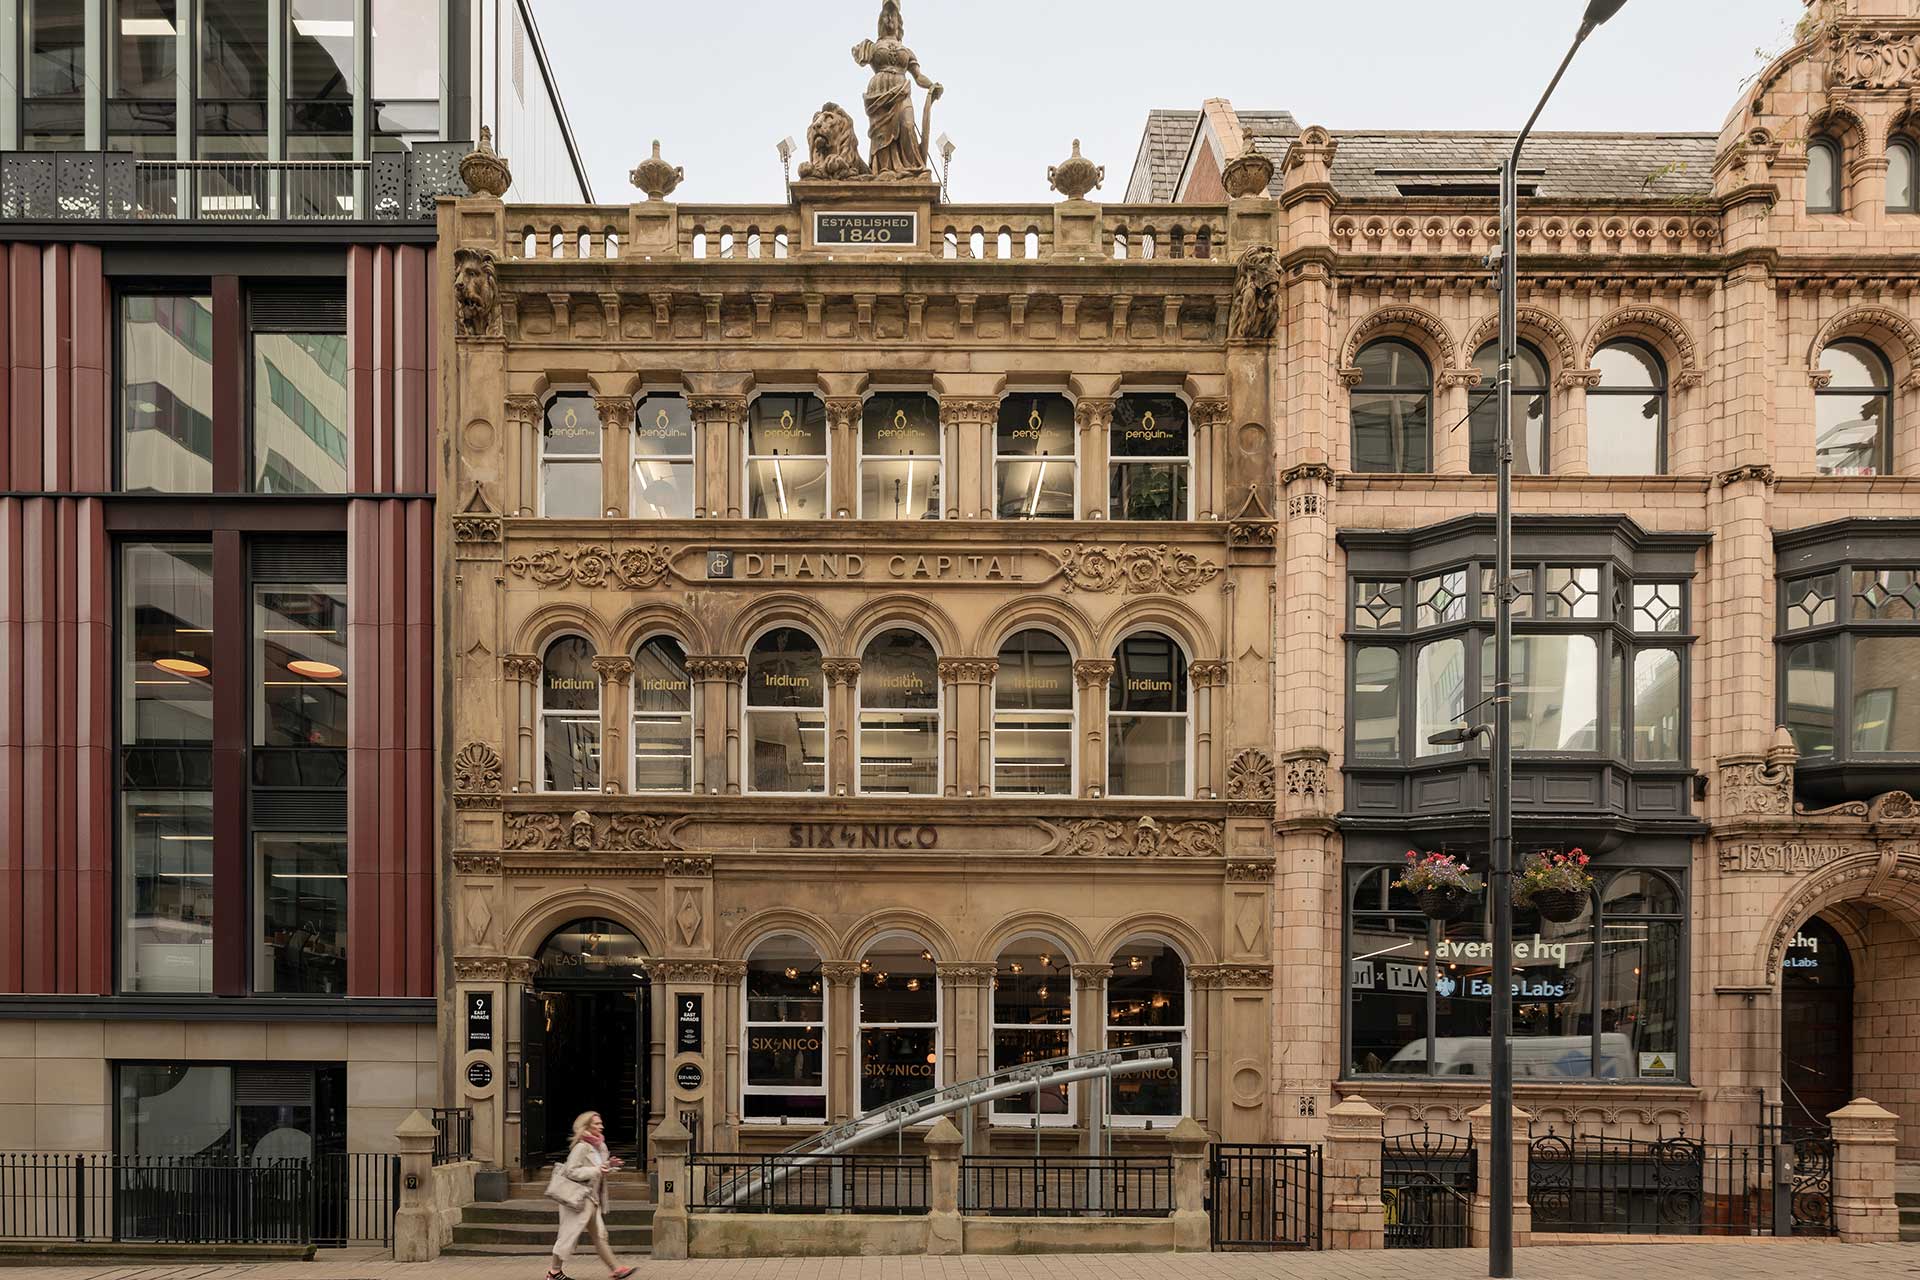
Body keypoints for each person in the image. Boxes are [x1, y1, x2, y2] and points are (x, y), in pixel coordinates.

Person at [851, 0, 941, 176]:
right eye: (886, 15)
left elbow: (918, 77)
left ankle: (910, 168)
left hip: (902, 90)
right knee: (881, 133)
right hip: (879, 92)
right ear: (880, 21)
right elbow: (858, 56)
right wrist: (861, 50)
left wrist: (931, 85)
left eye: (893, 16)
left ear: (900, 22)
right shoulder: (872, 46)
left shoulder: (906, 51)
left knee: (907, 125)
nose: (890, 19)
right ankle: (884, 170)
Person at [543, 1111, 635, 1280]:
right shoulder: (581, 1147)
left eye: (601, 1123)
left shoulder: (601, 1147)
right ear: (586, 1126)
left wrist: (609, 1165)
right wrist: (597, 1170)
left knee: (600, 1235)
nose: (601, 1126)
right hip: (578, 1198)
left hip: (592, 1199)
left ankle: (616, 1269)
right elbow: (571, 1171)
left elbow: (599, 1169)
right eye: (597, 1124)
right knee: (567, 1236)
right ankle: (554, 1272)